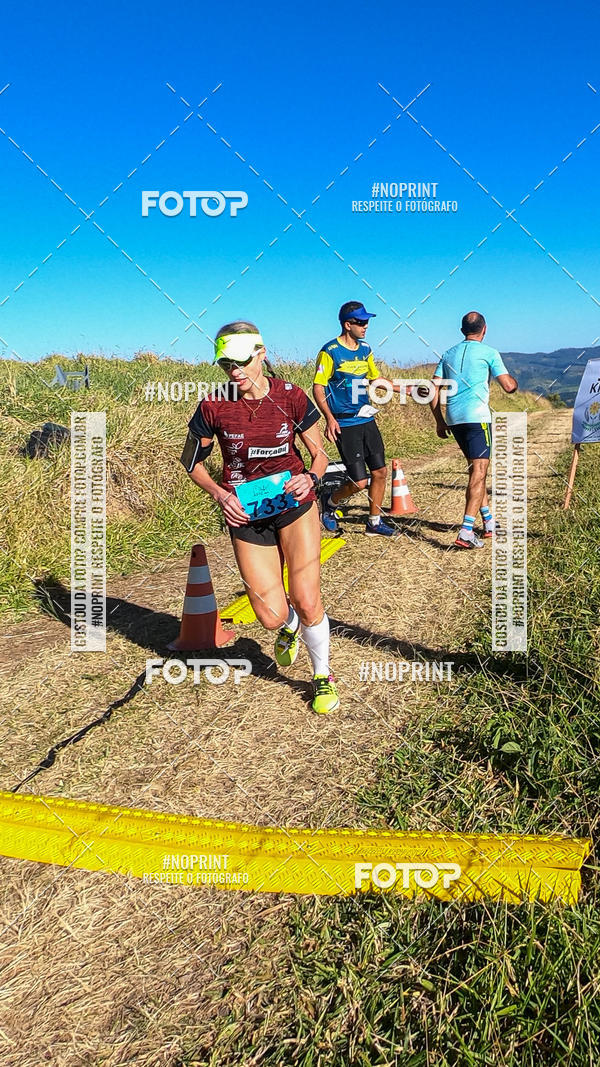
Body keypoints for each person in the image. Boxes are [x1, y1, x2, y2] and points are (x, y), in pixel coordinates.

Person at [180, 320, 339, 714]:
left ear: (260, 354)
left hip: (294, 503)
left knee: (306, 597)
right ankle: (288, 628)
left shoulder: (291, 396)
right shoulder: (213, 404)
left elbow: (319, 454)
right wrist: (220, 494)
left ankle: (322, 675)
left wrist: (311, 478)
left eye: (240, 361)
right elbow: (191, 462)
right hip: (246, 513)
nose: (233, 371)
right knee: (269, 615)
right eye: (225, 364)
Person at [312, 301, 402, 536]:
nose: (366, 326)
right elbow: (318, 388)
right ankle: (329, 502)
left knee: (380, 472)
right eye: (361, 322)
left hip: (366, 418)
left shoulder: (366, 349)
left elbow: (376, 379)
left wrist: (407, 389)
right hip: (345, 423)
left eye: (367, 322)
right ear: (347, 324)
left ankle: (374, 522)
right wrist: (330, 419)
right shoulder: (330, 351)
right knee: (359, 481)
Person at [430, 311, 518, 548]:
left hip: (455, 418)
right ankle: (466, 531)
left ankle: (489, 523)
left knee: (476, 471)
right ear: (485, 329)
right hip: (478, 418)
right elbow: (509, 386)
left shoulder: (448, 354)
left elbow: (432, 391)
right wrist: (513, 383)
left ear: (462, 331)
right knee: (479, 473)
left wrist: (439, 420)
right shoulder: (489, 352)